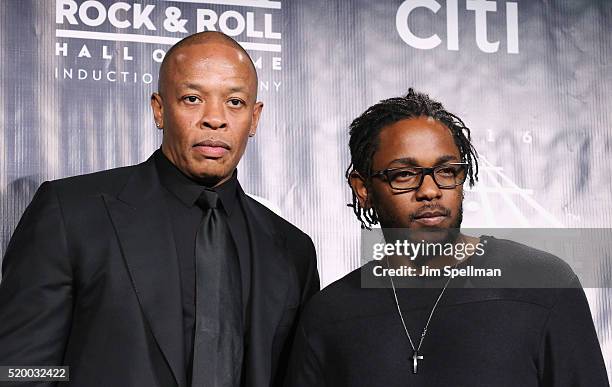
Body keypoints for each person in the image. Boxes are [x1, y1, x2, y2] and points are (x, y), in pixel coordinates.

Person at [0, 31, 319, 387]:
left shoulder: (294, 250)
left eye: (235, 102)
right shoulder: (70, 213)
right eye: (193, 98)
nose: (215, 119)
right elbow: (20, 371)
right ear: (159, 108)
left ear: (255, 118)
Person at [285, 89, 608, 386]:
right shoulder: (328, 315)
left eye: (447, 171)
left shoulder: (543, 282)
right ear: (364, 189)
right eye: (404, 174)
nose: (430, 190)